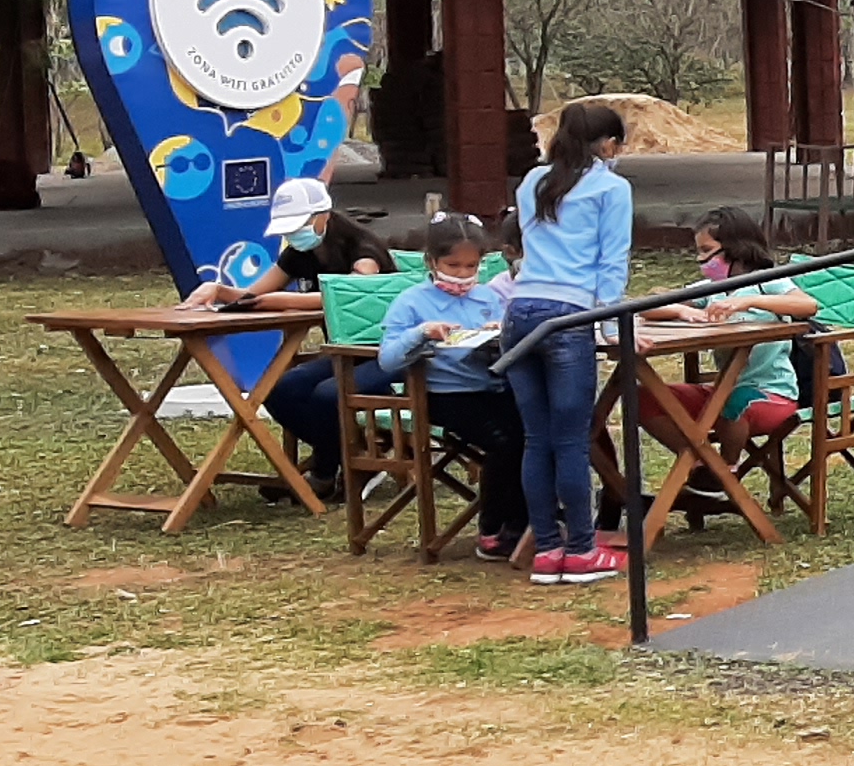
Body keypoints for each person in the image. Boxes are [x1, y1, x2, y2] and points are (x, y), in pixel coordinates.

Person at [186, 178, 395, 499]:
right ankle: (349, 457)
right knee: (279, 389)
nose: (294, 234)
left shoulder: (363, 252)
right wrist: (217, 289)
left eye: (299, 225)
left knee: (327, 395)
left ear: (323, 215)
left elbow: (346, 294)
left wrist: (279, 301)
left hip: (386, 353)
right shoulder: (302, 251)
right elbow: (254, 293)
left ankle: (329, 470)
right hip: (342, 352)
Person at [506, 100, 632, 586]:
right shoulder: (611, 188)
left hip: (521, 313)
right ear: (608, 145)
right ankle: (582, 551)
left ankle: (547, 551)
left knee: (536, 439)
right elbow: (611, 261)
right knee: (571, 440)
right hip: (570, 314)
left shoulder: (532, 182)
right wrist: (610, 326)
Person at [374, 212, 528, 563]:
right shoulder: (412, 301)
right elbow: (388, 359)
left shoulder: (488, 297)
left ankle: (525, 523)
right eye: (453, 265)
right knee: (503, 443)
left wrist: (498, 334)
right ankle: (492, 529)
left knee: (533, 433)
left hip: (491, 386)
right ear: (432, 261)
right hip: (446, 395)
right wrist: (421, 333)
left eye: (470, 266)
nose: (462, 274)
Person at [645, 206, 823, 482]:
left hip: (772, 396)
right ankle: (699, 461)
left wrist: (748, 301)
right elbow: (647, 308)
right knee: (644, 398)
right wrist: (681, 310)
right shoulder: (711, 289)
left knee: (731, 402)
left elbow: (807, 305)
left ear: (734, 248)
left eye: (706, 250)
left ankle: (727, 470)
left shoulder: (767, 281)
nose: (700, 260)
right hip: (722, 392)